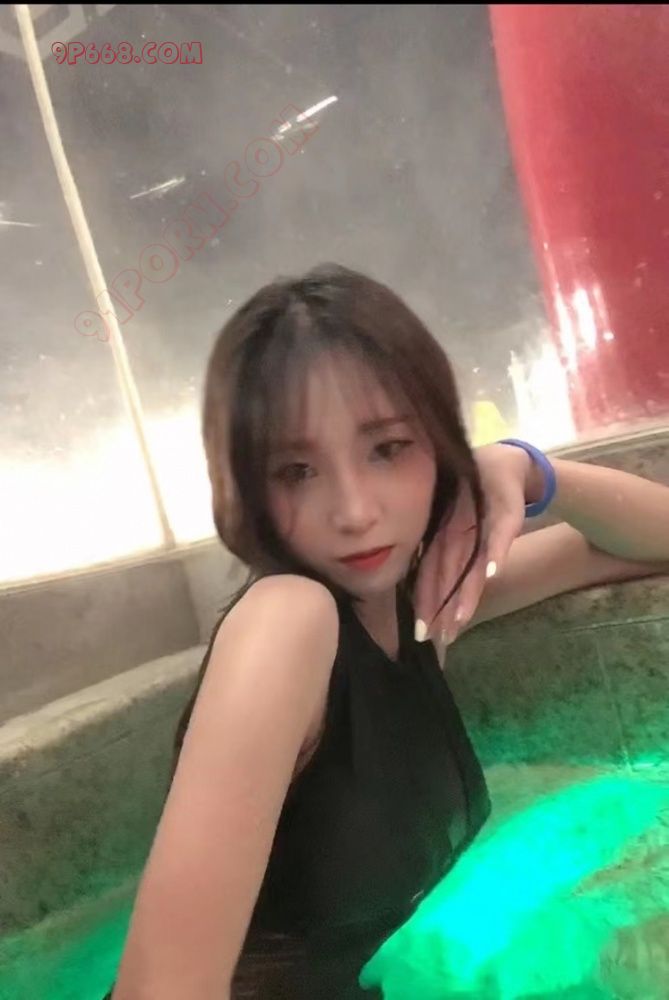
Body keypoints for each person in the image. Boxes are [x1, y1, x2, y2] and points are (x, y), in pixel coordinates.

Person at [104, 263, 669, 1000]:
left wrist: (525, 471)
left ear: (438, 446)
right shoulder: (286, 622)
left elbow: (648, 544)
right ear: (248, 485)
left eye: (388, 448)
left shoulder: (416, 607)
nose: (354, 511)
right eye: (295, 470)